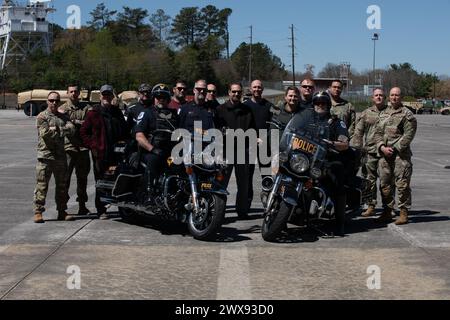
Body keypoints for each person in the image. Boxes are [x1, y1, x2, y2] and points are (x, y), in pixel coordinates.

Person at [282, 91, 350, 236]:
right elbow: (293, 129)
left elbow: (345, 143)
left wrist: (333, 143)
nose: (320, 105)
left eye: (323, 103)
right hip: (305, 158)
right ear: (313, 104)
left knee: (337, 178)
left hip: (327, 160)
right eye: (318, 103)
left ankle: (340, 222)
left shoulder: (336, 122)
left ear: (328, 105)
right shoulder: (306, 118)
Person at [80, 85, 129, 219]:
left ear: (112, 96)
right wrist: (93, 146)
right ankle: (101, 209)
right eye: (104, 94)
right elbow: (83, 132)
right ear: (100, 96)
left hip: (117, 154)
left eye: (109, 94)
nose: (106, 97)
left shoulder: (117, 112)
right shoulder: (93, 113)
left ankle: (120, 207)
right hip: (100, 154)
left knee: (118, 180)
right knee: (101, 182)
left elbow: (124, 131)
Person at [374, 87, 417, 225]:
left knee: (402, 185)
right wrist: (381, 147)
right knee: (384, 185)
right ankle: (387, 211)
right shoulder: (384, 113)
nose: (394, 97)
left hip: (400, 156)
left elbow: (409, 135)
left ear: (401, 97)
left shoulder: (407, 114)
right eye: (392, 95)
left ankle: (404, 213)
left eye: (396, 95)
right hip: (384, 155)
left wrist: (395, 148)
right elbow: (378, 132)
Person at [33, 92, 76, 223]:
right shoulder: (42, 116)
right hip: (45, 156)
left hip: (60, 156)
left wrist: (57, 128)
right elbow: (45, 133)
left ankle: (62, 211)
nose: (54, 103)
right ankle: (38, 211)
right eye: (51, 100)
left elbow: (72, 129)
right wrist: (62, 129)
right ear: (47, 101)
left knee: (62, 186)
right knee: (42, 185)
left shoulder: (63, 116)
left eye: (56, 101)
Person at [215, 82, 255, 219]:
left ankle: (242, 211)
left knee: (243, 184)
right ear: (229, 92)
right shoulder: (220, 109)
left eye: (239, 92)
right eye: (234, 91)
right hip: (226, 151)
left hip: (242, 151)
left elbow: (252, 130)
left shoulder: (247, 110)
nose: (236, 94)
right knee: (221, 182)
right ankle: (218, 211)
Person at [135, 84, 179, 205]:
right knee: (154, 160)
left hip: (170, 152)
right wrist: (152, 149)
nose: (161, 99)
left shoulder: (174, 115)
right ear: (154, 98)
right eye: (158, 96)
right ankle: (148, 194)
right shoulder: (147, 113)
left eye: (164, 97)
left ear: (168, 99)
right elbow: (139, 136)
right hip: (151, 152)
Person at [350, 88, 387, 217]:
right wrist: (357, 150)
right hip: (370, 152)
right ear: (372, 98)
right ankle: (371, 205)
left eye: (381, 95)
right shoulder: (366, 113)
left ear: (385, 97)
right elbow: (358, 133)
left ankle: (388, 208)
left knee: (386, 181)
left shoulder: (390, 112)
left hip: (385, 153)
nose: (378, 97)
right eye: (376, 95)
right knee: (369, 181)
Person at [58, 84, 92, 216]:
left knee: (82, 179)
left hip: (83, 148)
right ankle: (62, 207)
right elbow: (61, 125)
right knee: (65, 179)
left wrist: (73, 121)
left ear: (79, 93)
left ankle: (82, 205)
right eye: (71, 91)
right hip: (68, 148)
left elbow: (89, 123)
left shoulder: (86, 108)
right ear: (67, 93)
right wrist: (79, 122)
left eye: (76, 91)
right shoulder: (62, 109)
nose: (73, 94)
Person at [244, 80, 274, 207]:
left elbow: (273, 125)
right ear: (251, 89)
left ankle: (268, 202)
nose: (257, 89)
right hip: (248, 145)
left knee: (267, 175)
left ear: (263, 89)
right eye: (254, 87)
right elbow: (241, 125)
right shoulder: (245, 106)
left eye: (259, 87)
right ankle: (246, 204)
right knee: (247, 176)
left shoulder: (268, 106)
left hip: (264, 146)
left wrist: (265, 138)